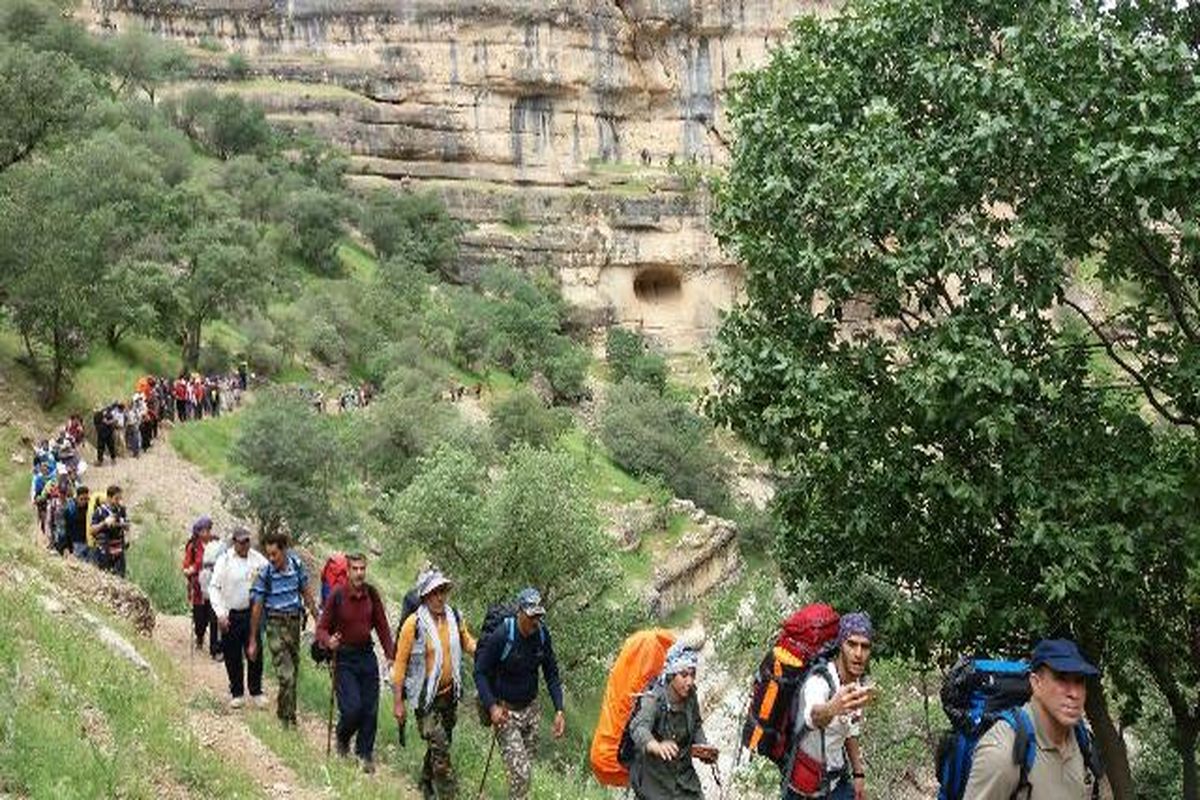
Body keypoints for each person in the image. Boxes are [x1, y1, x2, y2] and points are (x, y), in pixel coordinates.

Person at [964, 639, 1107, 800]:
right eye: (1062, 679)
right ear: (1036, 683)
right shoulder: (1004, 753)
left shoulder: (1082, 741)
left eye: (1079, 681)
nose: (1074, 693)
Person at [474, 588, 566, 800]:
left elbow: (551, 672)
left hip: (531, 710)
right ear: (520, 613)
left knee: (524, 771)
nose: (536, 621)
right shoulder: (503, 636)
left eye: (539, 616)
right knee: (522, 774)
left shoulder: (542, 635)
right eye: (532, 616)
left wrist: (559, 709)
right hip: (506, 713)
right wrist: (492, 706)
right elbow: (480, 672)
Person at [393, 569, 478, 797]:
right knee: (440, 747)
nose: (440, 597)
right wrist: (398, 703)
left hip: (449, 695)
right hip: (425, 699)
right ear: (425, 596)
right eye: (435, 593)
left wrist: (482, 651)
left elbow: (467, 641)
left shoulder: (454, 617)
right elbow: (399, 665)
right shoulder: (413, 625)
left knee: (442, 743)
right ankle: (450, 794)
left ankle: (425, 782)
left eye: (443, 592)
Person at [316, 553, 396, 773]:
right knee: (352, 709)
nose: (360, 573)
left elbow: (382, 626)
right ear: (348, 571)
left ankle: (364, 754)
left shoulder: (371, 594)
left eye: (363, 568)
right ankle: (342, 736)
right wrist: (328, 641)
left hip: (366, 655)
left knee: (370, 708)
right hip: (344, 658)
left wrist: (390, 654)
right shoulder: (337, 595)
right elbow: (321, 628)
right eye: (355, 569)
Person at [792, 612, 874, 800]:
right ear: (840, 645)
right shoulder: (819, 681)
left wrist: (859, 773)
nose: (858, 653)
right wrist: (833, 707)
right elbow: (812, 716)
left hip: (836, 782)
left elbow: (850, 729)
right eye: (851, 644)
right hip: (803, 789)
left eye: (865, 646)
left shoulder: (857, 684)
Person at [248, 531, 319, 727]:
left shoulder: (296, 566)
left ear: (284, 551)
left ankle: (288, 713)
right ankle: (286, 720)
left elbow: (306, 593)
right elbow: (257, 607)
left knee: (293, 671)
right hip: (275, 625)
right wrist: (253, 639)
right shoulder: (265, 574)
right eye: (268, 554)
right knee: (285, 674)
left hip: (295, 623)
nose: (271, 559)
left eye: (275, 554)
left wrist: (317, 618)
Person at [628, 643, 716, 800]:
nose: (689, 681)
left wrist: (703, 746)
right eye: (683, 675)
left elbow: (695, 724)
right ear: (671, 674)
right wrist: (655, 745)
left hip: (685, 782)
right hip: (654, 786)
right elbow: (638, 728)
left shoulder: (690, 697)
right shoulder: (653, 699)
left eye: (692, 674)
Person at [209, 526, 269, 709]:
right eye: (240, 541)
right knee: (232, 654)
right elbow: (214, 588)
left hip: (252, 613)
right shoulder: (225, 560)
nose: (244, 545)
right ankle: (237, 692)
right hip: (231, 613)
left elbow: (270, 573)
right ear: (234, 542)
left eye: (247, 541)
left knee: (254, 652)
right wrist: (220, 613)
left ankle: (256, 690)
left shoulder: (258, 559)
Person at [181, 517, 221, 659]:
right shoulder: (193, 546)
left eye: (208, 529)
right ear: (198, 532)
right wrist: (190, 571)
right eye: (204, 530)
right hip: (198, 588)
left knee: (214, 617)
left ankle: (215, 649)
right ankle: (199, 635)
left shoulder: (216, 544)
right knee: (200, 618)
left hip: (215, 586)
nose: (207, 533)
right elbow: (186, 566)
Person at [90, 485, 130, 576]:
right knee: (105, 575)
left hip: (119, 549)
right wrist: (104, 523)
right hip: (104, 549)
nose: (118, 501)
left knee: (120, 577)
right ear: (108, 497)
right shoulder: (100, 511)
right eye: (116, 498)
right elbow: (92, 530)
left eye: (120, 498)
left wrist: (123, 525)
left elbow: (127, 525)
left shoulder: (121, 510)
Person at [64, 484, 91, 560]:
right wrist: (68, 546)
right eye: (81, 499)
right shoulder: (70, 510)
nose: (84, 502)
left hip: (88, 542)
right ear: (77, 498)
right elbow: (67, 529)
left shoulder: (90, 509)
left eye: (86, 499)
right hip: (76, 544)